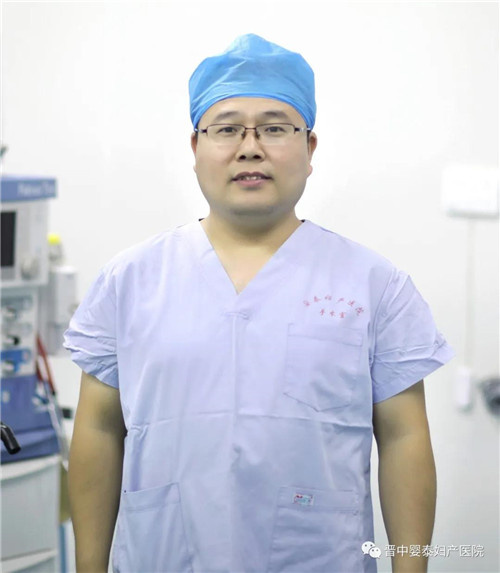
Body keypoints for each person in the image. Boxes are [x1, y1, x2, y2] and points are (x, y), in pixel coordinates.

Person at [65, 34, 454, 573]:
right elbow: (99, 431)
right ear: (195, 148)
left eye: (275, 128)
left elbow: (404, 437)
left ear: (310, 149)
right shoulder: (129, 280)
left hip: (320, 557)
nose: (250, 148)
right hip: (164, 555)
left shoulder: (374, 285)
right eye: (226, 129)